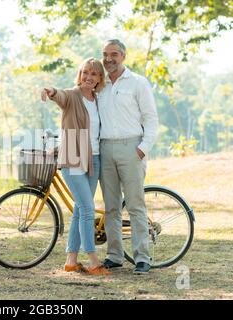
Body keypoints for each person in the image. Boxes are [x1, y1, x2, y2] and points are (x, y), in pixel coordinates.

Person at [41, 58, 110, 276]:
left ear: (100, 78)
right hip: (72, 159)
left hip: (94, 160)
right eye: (85, 73)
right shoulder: (72, 96)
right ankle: (93, 260)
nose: (88, 77)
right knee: (88, 209)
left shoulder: (98, 100)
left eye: (93, 74)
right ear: (80, 75)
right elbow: (59, 95)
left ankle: (71, 260)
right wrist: (50, 91)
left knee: (81, 210)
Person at [98, 39, 159, 274]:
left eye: (114, 54)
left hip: (132, 147)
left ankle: (142, 257)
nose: (109, 59)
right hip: (106, 148)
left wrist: (143, 148)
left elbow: (151, 118)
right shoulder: (100, 85)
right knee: (111, 207)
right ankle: (114, 256)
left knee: (135, 205)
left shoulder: (137, 83)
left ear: (123, 56)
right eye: (105, 54)